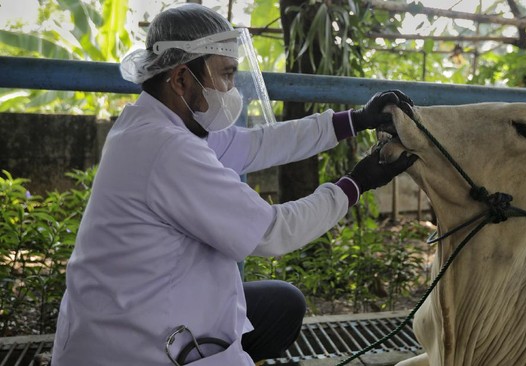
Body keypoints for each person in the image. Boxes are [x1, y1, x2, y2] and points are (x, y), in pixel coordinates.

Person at [50, 3, 417, 366]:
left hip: (139, 304)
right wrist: (356, 184)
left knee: (282, 304)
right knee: (271, 310)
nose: (230, 89)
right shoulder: (167, 149)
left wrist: (354, 120)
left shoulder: (159, 122)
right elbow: (272, 232)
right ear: (180, 79)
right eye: (225, 75)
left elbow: (257, 143)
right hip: (133, 344)